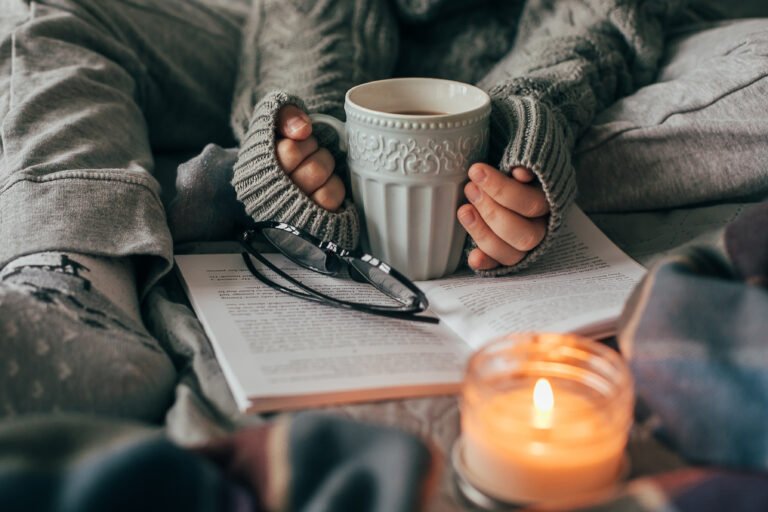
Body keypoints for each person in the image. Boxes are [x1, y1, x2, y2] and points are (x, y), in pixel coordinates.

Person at [0, 0, 766, 420]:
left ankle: (504, 176)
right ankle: (71, 271)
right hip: (299, 32)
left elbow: (597, 15)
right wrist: (315, 122)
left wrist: (535, 120)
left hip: (538, 47)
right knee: (46, 14)